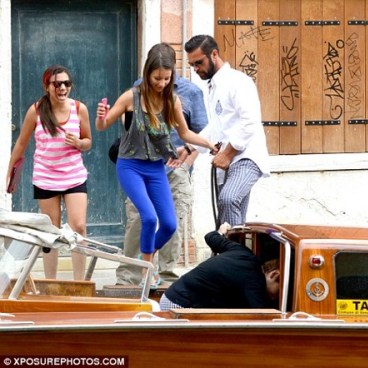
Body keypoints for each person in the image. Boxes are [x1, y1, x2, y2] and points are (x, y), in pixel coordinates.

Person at [96, 43, 217, 287]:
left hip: (157, 168)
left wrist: (210, 144)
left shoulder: (173, 100)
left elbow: (186, 133)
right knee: (148, 218)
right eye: (157, 78)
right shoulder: (132, 96)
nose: (161, 83)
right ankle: (145, 272)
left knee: (170, 224)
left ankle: (145, 261)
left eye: (166, 78)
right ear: (148, 73)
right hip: (130, 165)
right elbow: (102, 126)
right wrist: (101, 115)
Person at [6, 65, 91, 280]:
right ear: (47, 86)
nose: (62, 88)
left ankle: (80, 283)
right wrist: (10, 174)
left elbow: (88, 141)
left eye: (66, 83)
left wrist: (79, 142)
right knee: (50, 232)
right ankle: (50, 282)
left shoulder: (79, 109)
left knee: (78, 226)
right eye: (57, 84)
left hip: (74, 175)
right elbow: (21, 145)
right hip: (45, 178)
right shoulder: (36, 111)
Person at [184, 35, 270, 226]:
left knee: (228, 199)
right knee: (229, 219)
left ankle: (234, 252)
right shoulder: (214, 86)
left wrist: (228, 153)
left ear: (214, 54)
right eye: (192, 65)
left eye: (199, 63)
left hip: (246, 156)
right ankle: (238, 253)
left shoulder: (238, 81)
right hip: (227, 161)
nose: (196, 69)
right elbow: (217, 127)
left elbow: (250, 121)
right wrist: (190, 147)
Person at [159, 222, 280, 309]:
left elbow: (211, 237)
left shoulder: (243, 252)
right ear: (274, 275)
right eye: (279, 291)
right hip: (179, 306)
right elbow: (262, 316)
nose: (276, 298)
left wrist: (221, 231)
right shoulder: (255, 282)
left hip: (171, 296)